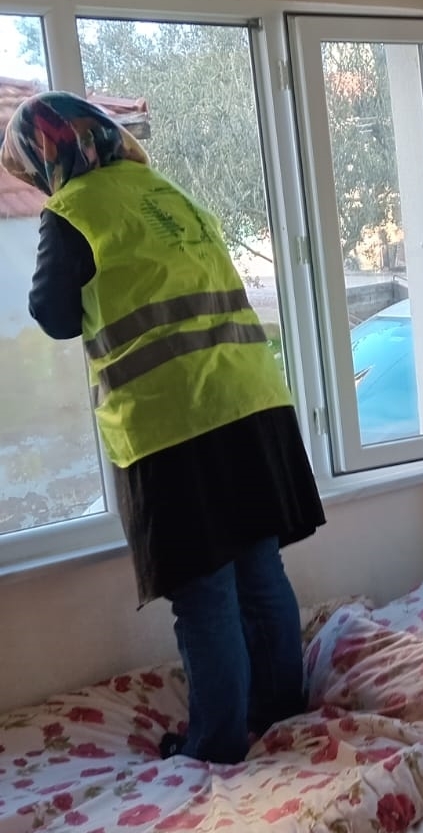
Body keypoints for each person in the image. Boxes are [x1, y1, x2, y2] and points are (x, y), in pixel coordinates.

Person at [0, 91, 326, 763]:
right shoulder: (169, 192)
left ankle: (217, 744)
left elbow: (54, 315)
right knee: (259, 569)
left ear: (46, 153)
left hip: (176, 423)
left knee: (203, 592)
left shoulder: (76, 208)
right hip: (253, 402)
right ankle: (280, 708)